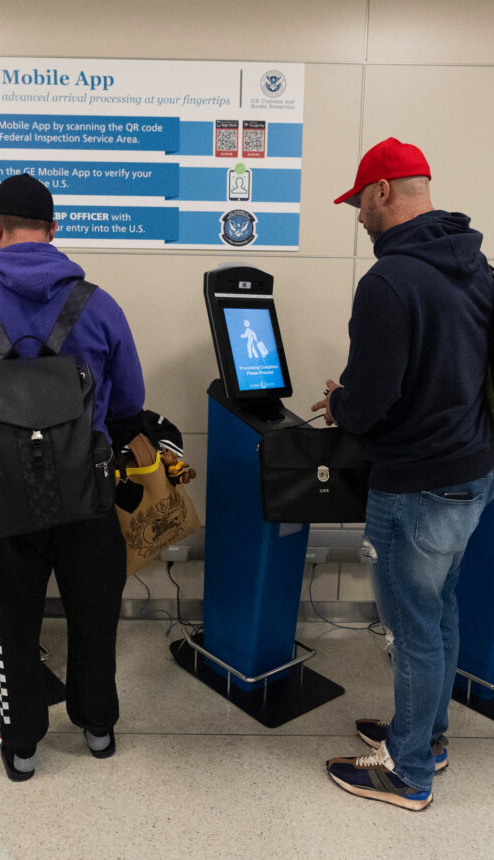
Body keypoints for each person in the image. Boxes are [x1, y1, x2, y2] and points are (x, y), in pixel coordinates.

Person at [0, 173, 145, 781]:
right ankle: (97, 730)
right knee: (95, 616)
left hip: (5, 499)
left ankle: (24, 748)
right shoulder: (98, 302)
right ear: (54, 231)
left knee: (14, 624)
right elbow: (129, 406)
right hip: (88, 494)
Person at [311, 138, 494, 810]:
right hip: (471, 474)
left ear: (384, 191)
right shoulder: (477, 266)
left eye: (360, 200)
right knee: (439, 611)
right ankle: (431, 735)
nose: (358, 214)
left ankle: (408, 771)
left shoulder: (388, 281)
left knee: (411, 627)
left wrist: (339, 403)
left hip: (415, 485)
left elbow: (373, 400)